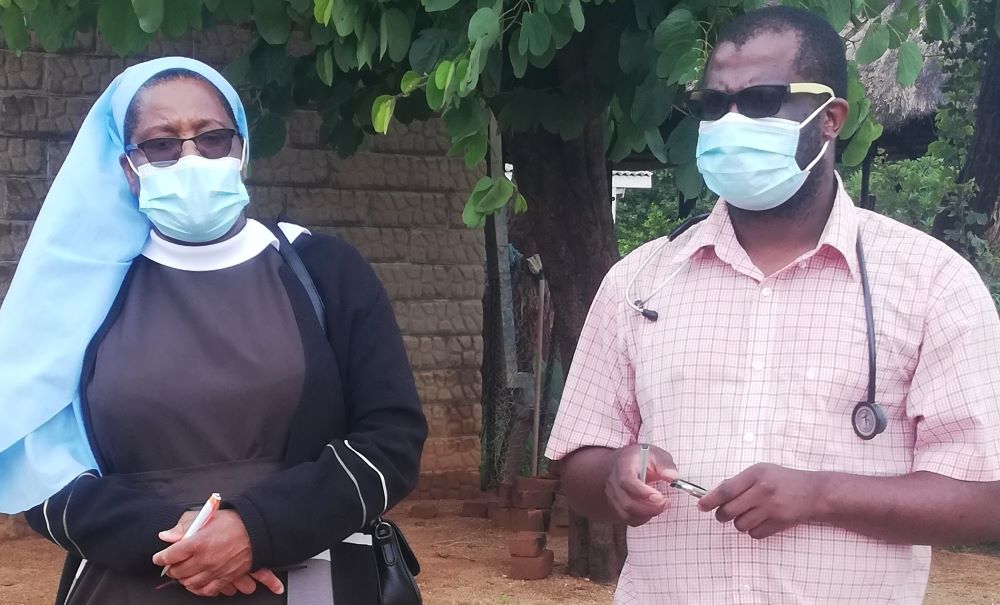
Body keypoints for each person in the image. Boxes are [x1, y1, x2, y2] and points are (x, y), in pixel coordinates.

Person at [546, 7, 1000, 603]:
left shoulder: (932, 284)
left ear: (830, 118)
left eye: (761, 102)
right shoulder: (642, 281)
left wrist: (821, 495)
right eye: (714, 105)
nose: (732, 122)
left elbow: (987, 499)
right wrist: (615, 474)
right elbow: (576, 458)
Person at [0, 57, 427, 604]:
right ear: (128, 167)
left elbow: (390, 439)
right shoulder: (79, 293)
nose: (190, 157)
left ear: (242, 149)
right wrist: (187, 546)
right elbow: (38, 473)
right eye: (160, 144)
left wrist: (256, 530)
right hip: (130, 583)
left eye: (212, 138)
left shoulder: (324, 269)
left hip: (311, 579)